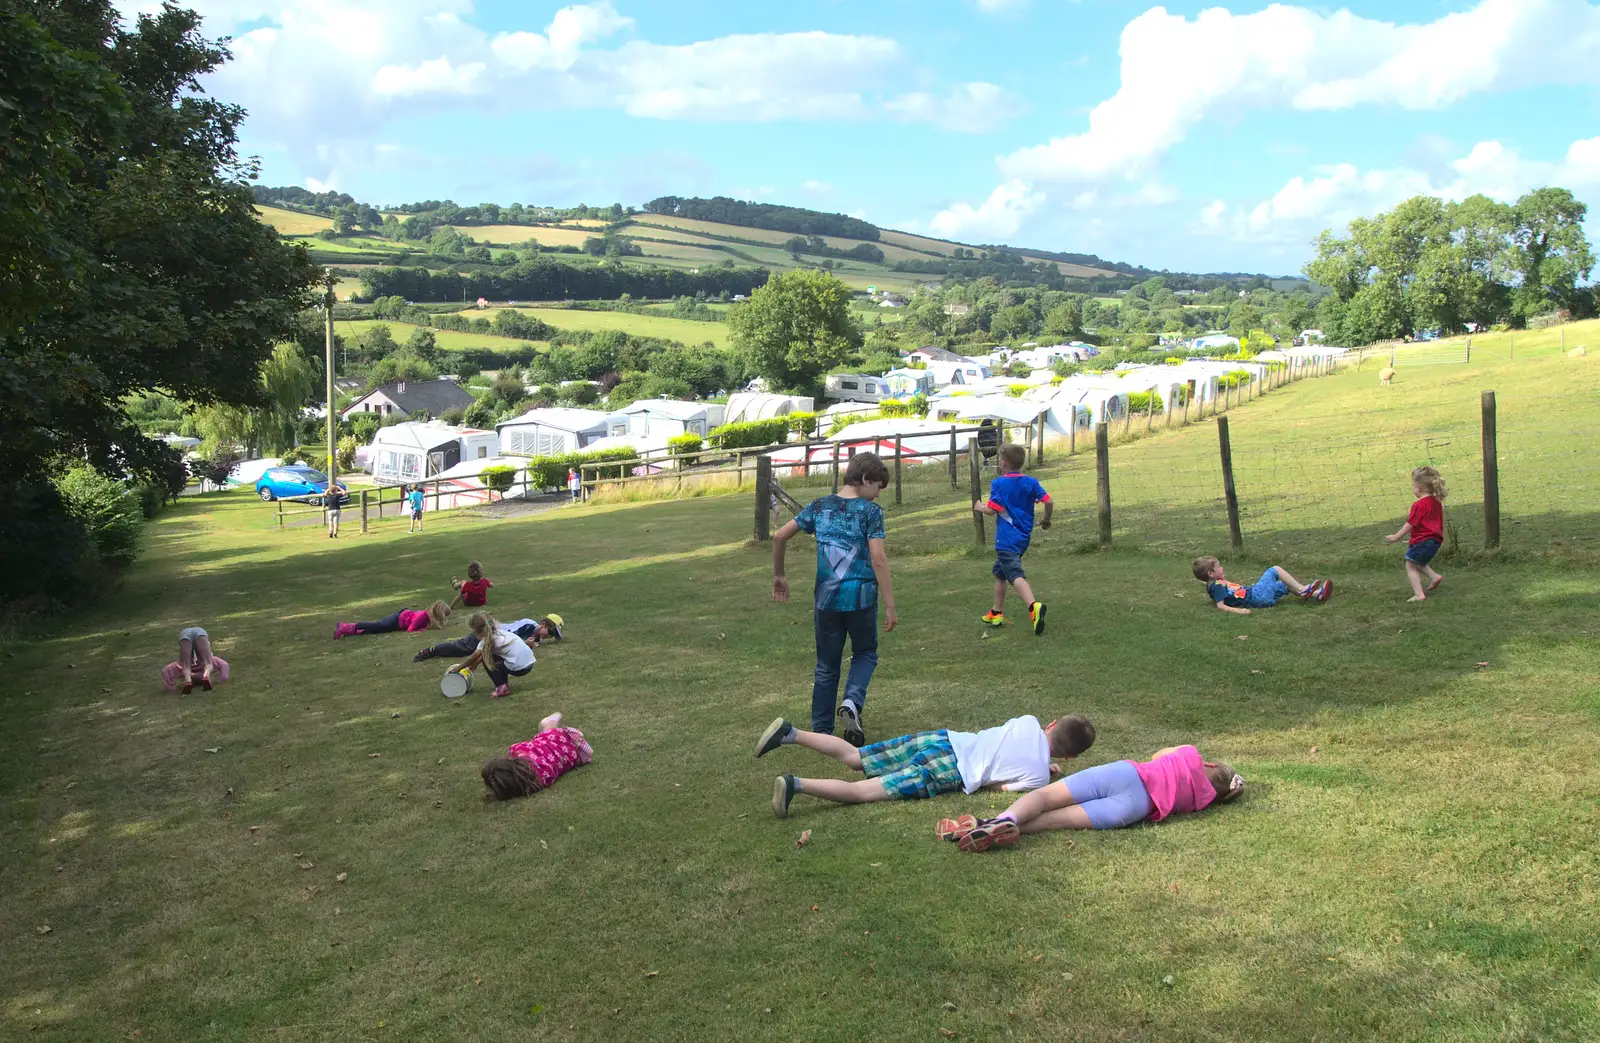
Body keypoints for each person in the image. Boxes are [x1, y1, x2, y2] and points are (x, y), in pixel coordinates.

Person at [772, 452, 897, 747]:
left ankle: (821, 730)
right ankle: (852, 701)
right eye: (878, 487)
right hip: (861, 599)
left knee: (827, 664)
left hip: (826, 600)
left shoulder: (819, 506)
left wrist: (779, 575)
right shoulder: (869, 512)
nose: (878, 495)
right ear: (865, 479)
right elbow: (878, 559)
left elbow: (779, 537)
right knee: (866, 652)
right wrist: (890, 604)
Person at [758, 712, 1096, 819]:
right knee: (862, 792)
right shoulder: (1037, 778)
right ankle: (795, 784)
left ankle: (791, 733)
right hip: (949, 771)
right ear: (1070, 758)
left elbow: (1012, 742)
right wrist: (1041, 772)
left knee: (855, 758)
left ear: (1051, 723)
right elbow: (998, 784)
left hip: (945, 739)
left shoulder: (1028, 721)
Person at [941, 744, 1246, 852]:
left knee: (1046, 797)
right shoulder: (1201, 802)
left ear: (1211, 765)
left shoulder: (1191, 754)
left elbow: (1158, 755)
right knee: (1053, 820)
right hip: (1134, 809)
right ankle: (985, 828)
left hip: (1127, 775)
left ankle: (1000, 820)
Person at [972, 443, 1053, 635]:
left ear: (1003, 464)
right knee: (1000, 573)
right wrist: (1046, 520)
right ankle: (996, 612)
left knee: (1014, 574)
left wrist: (979, 507)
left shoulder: (999, 484)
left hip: (1006, 539)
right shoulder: (1031, 482)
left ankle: (1033, 606)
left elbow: (993, 510)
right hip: (1023, 537)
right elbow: (1048, 501)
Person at [481, 712, 593, 800]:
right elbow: (520, 747)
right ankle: (551, 720)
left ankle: (551, 726)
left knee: (556, 752)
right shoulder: (517, 750)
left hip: (581, 752)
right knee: (545, 733)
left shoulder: (540, 781)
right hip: (564, 736)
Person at [1385, 465, 1447, 601]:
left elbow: (1410, 524)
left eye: (1412, 484)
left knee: (1410, 565)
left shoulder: (1419, 505)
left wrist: (1396, 536)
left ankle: (1419, 595)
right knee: (1418, 561)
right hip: (1435, 541)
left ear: (1419, 486)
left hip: (1424, 540)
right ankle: (1434, 577)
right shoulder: (1436, 502)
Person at [1192, 556, 1329, 614]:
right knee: (1274, 570)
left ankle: (1317, 594)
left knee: (1283, 585)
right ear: (1211, 574)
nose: (1222, 568)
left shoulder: (1214, 584)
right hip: (1256, 596)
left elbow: (1212, 585)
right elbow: (1220, 605)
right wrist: (1240, 611)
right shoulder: (1217, 586)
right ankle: (1303, 589)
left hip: (1257, 597)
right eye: (1219, 567)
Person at [449, 611, 535, 698]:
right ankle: (504, 684)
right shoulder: (502, 632)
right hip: (529, 663)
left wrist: (459, 667)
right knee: (491, 656)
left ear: (476, 631)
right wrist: (473, 666)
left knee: (487, 659)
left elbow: (473, 657)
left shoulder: (486, 641)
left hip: (520, 668)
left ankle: (501, 687)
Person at [414, 614, 563, 662]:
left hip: (495, 644)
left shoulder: (537, 640)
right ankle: (430, 651)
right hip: (487, 634)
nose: (549, 637)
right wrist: (524, 643)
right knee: (460, 648)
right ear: (542, 624)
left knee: (470, 653)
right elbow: (508, 635)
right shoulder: (528, 624)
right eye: (550, 632)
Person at [334, 601, 450, 639]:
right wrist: (422, 630)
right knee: (376, 626)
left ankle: (349, 631)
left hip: (399, 620)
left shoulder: (427, 615)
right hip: (397, 620)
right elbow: (410, 629)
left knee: (376, 630)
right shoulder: (423, 616)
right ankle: (344, 627)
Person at [167, 626, 219, 692]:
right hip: (200, 632)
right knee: (208, 662)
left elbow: (165, 671)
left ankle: (188, 680)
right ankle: (206, 676)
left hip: (184, 633)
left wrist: (170, 686)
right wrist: (223, 678)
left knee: (185, 665)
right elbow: (224, 665)